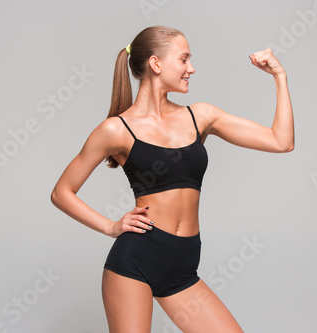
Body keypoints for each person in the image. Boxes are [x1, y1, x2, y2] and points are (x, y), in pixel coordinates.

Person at [51, 25, 294, 332]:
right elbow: (62, 192)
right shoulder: (116, 129)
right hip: (135, 261)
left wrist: (279, 77)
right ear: (156, 63)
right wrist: (111, 226)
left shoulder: (201, 116)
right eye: (184, 59)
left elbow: (281, 141)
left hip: (182, 268)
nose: (191, 68)